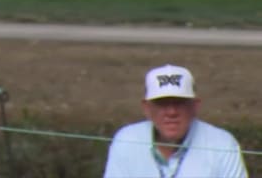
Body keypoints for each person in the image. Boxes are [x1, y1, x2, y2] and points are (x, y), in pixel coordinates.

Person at [103, 64, 247, 178]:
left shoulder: (223, 144)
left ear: (195, 106)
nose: (171, 112)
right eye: (162, 103)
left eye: (179, 103)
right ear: (146, 108)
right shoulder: (126, 140)